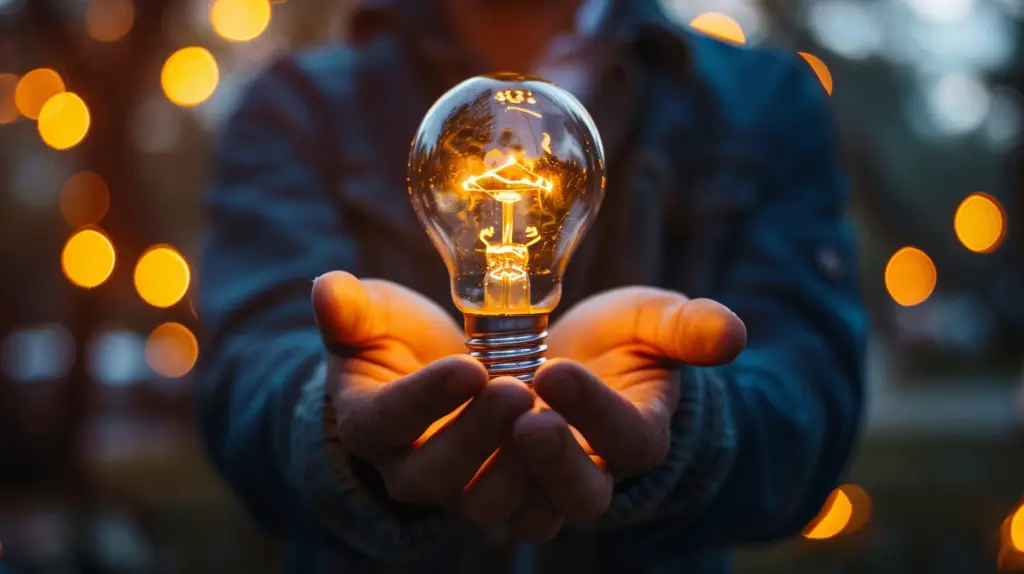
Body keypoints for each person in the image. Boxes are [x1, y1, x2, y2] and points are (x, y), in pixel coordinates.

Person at [195, 0, 867, 572]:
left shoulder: (768, 104)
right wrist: (340, 430)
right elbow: (245, 377)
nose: (508, 173)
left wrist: (689, 425)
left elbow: (811, 397)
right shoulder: (295, 104)